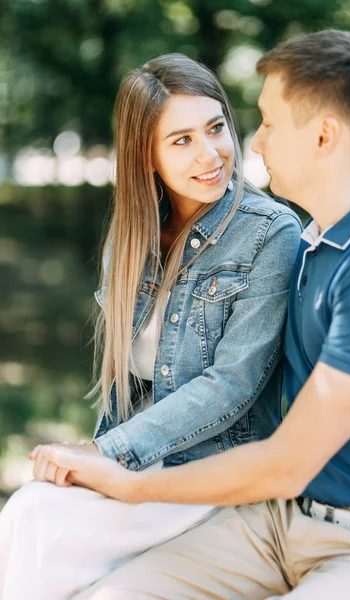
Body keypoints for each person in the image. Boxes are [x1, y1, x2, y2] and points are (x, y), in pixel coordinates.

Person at [34, 29, 350, 600]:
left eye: (269, 124)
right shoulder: (321, 240)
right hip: (282, 521)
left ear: (324, 135)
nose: (251, 146)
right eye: (181, 139)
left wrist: (120, 473)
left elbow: (278, 450)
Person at [0, 54, 301, 599]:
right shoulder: (132, 238)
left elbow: (233, 384)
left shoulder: (270, 233)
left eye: (215, 129)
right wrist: (100, 455)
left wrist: (108, 453)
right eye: (181, 140)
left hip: (211, 476)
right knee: (30, 518)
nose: (210, 155)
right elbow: (127, 384)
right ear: (148, 156)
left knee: (34, 525)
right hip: (138, 466)